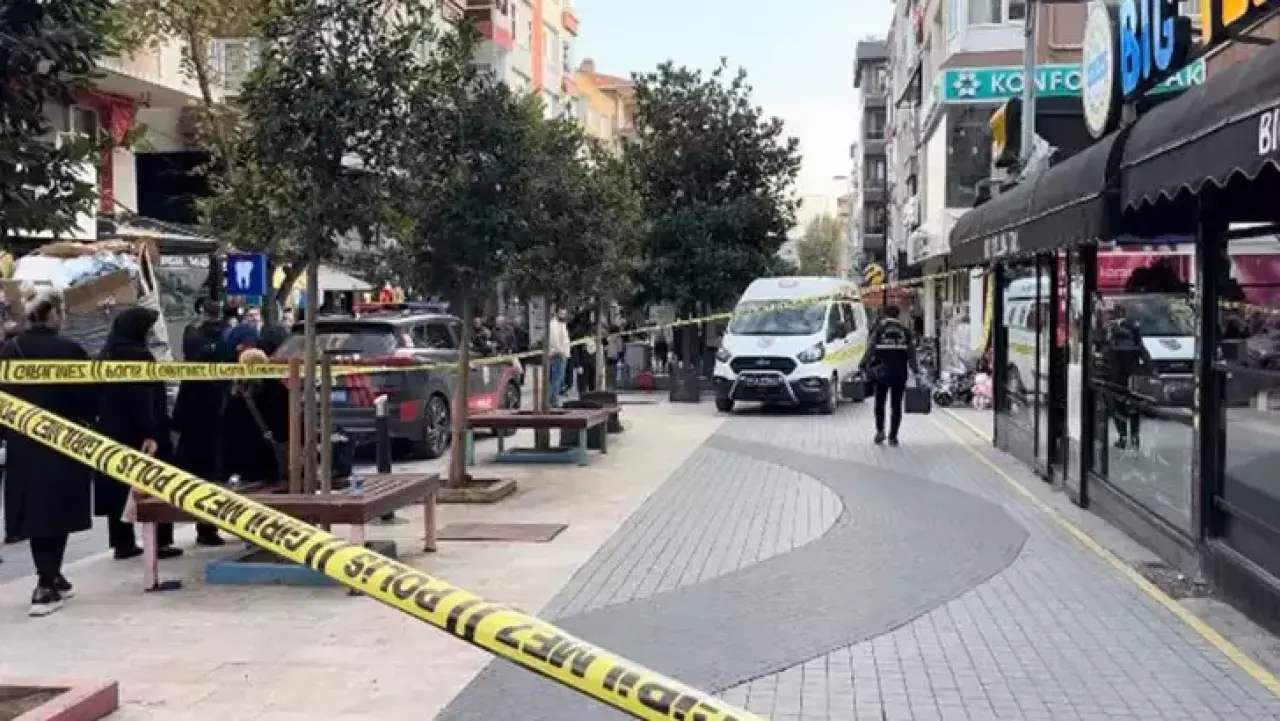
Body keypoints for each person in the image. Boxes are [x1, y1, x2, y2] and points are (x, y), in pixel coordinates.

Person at [0, 289, 98, 616]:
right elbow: (87, 400)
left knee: (36, 511)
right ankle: (45, 583)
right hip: (63, 441)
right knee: (59, 511)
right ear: (53, 313)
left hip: (23, 442)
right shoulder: (69, 350)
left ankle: (52, 574)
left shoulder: (10, 349)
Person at [94, 307, 183, 561]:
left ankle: (122, 542)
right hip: (145, 431)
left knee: (118, 487)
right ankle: (160, 542)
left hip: (113, 431)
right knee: (157, 484)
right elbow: (145, 398)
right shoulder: (139, 356)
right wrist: (151, 431)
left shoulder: (105, 355)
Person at [173, 297, 230, 546]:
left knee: (194, 473)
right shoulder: (223, 338)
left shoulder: (195, 337)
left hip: (194, 418)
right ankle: (207, 528)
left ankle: (203, 527)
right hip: (214, 415)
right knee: (211, 473)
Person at [218, 348, 290, 484]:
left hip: (239, 461)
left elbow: (227, 429)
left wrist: (224, 468)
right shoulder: (276, 389)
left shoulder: (234, 392)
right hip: (267, 459)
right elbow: (284, 424)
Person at [860, 304, 921, 447]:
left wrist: (862, 364)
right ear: (898, 315)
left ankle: (880, 431)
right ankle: (893, 437)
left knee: (879, 403)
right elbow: (911, 354)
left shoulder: (879, 330)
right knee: (896, 404)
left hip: (881, 372)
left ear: (885, 315)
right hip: (899, 373)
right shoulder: (905, 332)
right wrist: (916, 371)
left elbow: (870, 349)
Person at [1101, 301, 1146, 449]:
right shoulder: (1133, 327)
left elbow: (1105, 351)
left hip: (1116, 374)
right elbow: (1141, 349)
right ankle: (1134, 436)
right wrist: (1149, 367)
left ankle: (1123, 437)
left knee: (1118, 405)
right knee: (1133, 405)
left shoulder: (1110, 329)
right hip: (1132, 372)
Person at [547, 308, 571, 408]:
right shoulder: (554, 324)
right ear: (557, 313)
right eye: (562, 313)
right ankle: (553, 399)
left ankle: (555, 398)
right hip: (558, 354)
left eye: (565, 313)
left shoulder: (561, 324)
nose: (564, 315)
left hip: (562, 354)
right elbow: (554, 340)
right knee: (556, 378)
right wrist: (560, 351)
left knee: (559, 378)